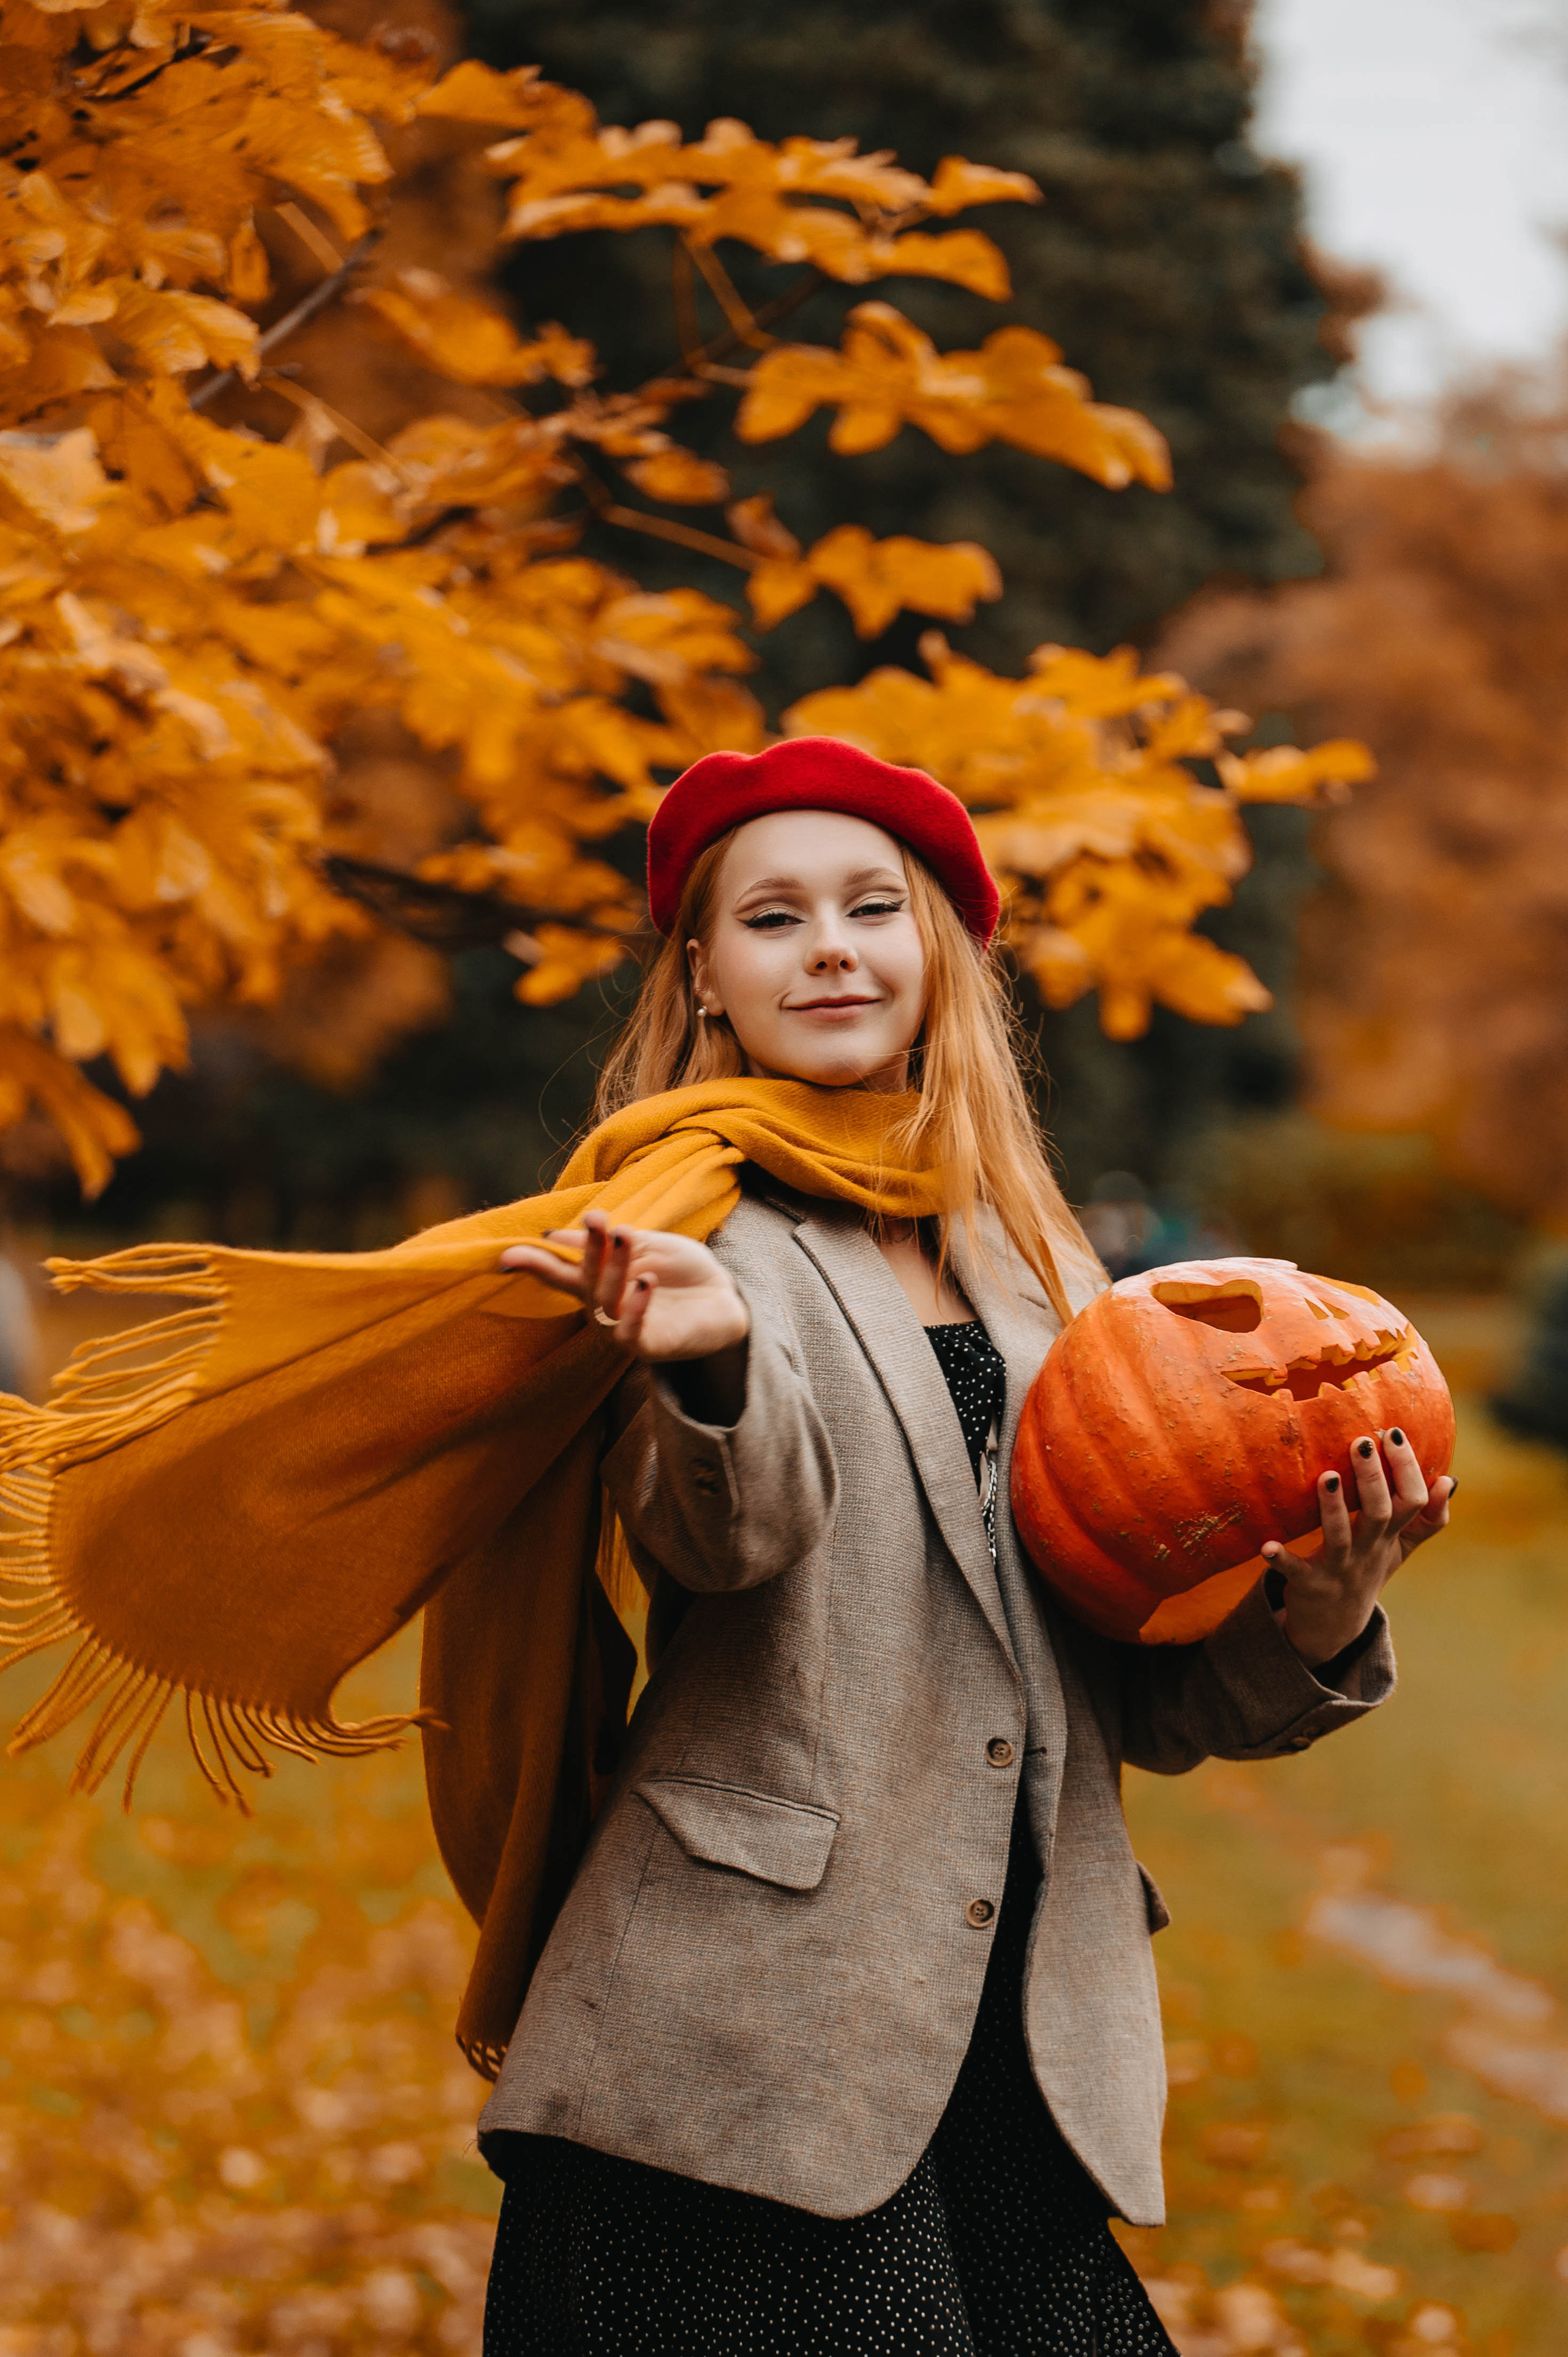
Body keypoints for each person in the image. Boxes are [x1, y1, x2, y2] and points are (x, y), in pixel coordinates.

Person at [472, 738, 1454, 2355]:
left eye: (873, 906)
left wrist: (1323, 1614)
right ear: (705, 975)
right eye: (774, 918)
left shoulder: (1042, 1263)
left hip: (1015, 2029)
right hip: (757, 2030)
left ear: (940, 954)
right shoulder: (685, 1227)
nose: (834, 945)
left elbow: (1131, 1693)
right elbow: (723, 1544)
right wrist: (708, 1363)